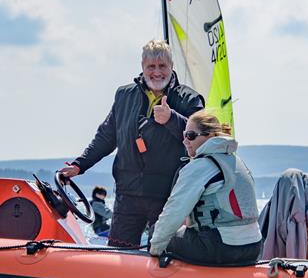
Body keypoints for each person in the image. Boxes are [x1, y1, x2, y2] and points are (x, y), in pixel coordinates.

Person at [59, 40, 204, 247]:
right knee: (119, 254)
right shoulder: (124, 95)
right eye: (151, 66)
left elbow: (202, 138)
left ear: (172, 66)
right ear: (142, 67)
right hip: (128, 195)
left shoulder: (189, 99)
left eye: (162, 66)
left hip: (168, 197)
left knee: (164, 257)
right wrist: (79, 165)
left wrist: (172, 119)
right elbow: (106, 137)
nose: (157, 72)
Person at [149, 110, 262, 265]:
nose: (185, 141)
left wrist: (156, 247)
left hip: (221, 247)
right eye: (184, 135)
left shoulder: (201, 165)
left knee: (155, 231)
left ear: (210, 136)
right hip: (254, 247)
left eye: (190, 135)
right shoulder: (236, 161)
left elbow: (174, 210)